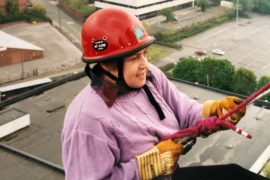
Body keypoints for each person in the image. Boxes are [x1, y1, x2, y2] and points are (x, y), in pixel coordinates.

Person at [61, 8, 246, 180]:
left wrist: (212, 112)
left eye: (145, 54)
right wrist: (145, 166)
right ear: (107, 64)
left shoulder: (150, 77)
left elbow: (185, 111)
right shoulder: (87, 120)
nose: (144, 64)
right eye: (134, 58)